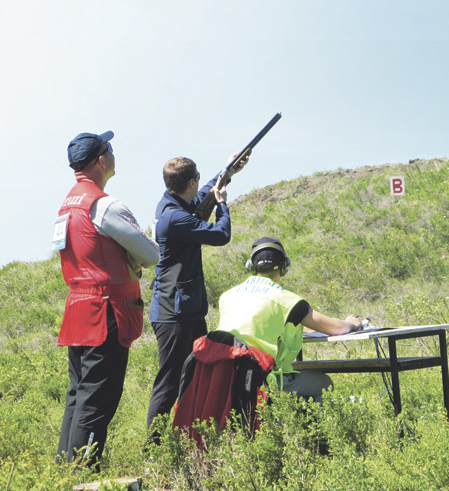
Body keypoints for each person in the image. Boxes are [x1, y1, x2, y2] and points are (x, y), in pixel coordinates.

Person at [55, 130, 159, 470]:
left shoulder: (67, 204)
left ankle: (64, 471)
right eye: (110, 149)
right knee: (97, 399)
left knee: (78, 395)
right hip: (106, 312)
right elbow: (149, 253)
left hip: (78, 308)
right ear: (102, 160)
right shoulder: (104, 204)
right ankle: (82, 473)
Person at [146, 154, 247, 435]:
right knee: (168, 383)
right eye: (198, 178)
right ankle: (154, 447)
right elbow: (220, 235)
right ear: (190, 181)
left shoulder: (173, 202)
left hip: (185, 309)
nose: (200, 183)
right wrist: (223, 205)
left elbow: (202, 196)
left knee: (195, 375)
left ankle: (189, 435)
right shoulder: (175, 217)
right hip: (173, 314)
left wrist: (230, 170)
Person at [217, 237, 362, 403]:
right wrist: (351, 323)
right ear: (285, 267)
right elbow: (337, 328)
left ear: (251, 266)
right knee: (324, 383)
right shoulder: (286, 300)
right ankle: (311, 428)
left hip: (229, 377)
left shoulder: (226, 297)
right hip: (264, 379)